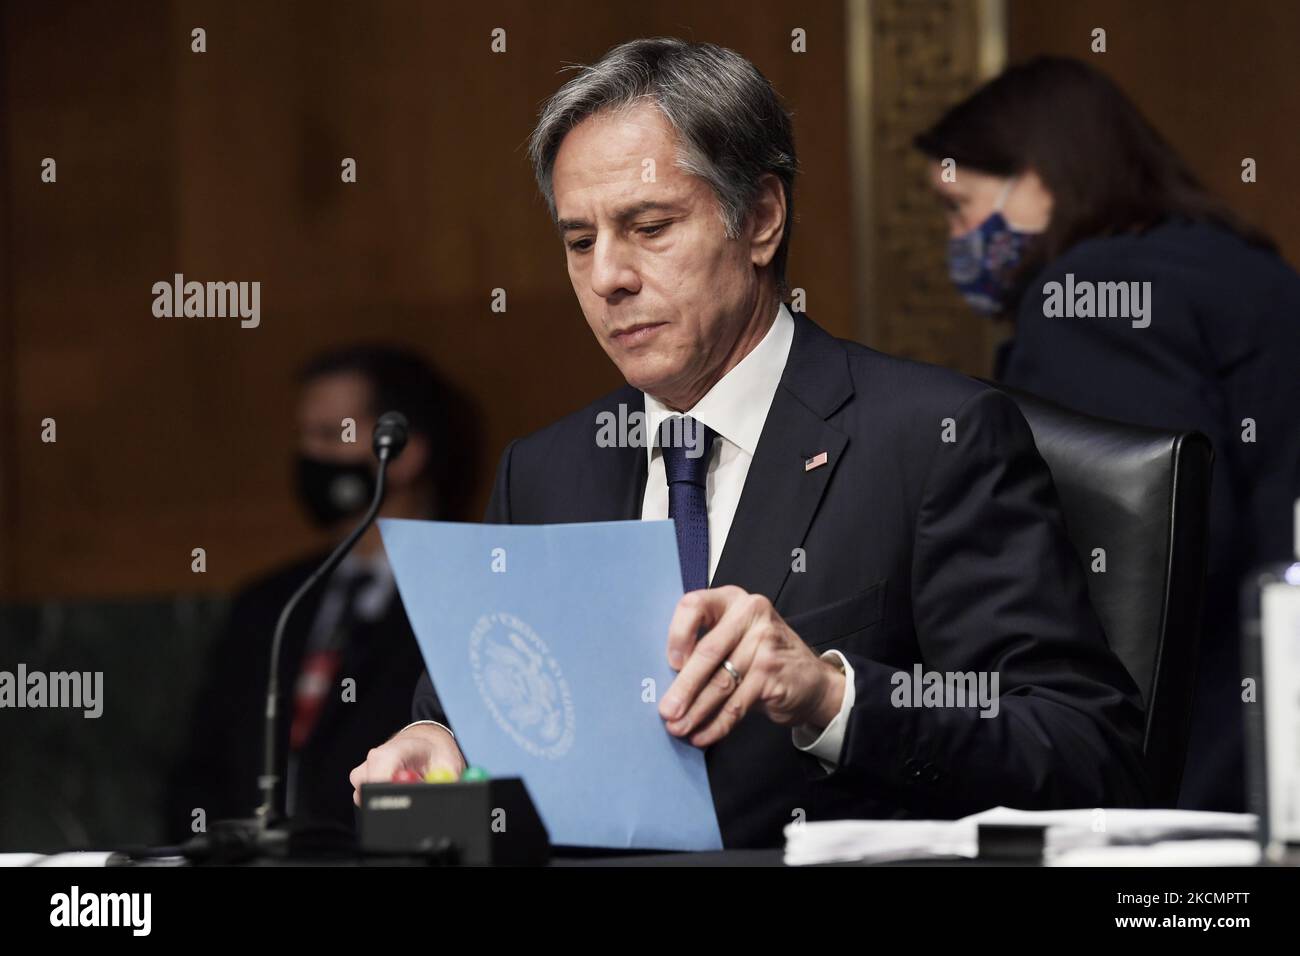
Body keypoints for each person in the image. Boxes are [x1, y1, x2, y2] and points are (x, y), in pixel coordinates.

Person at [350, 38, 1149, 849]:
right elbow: (470, 721)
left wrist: (831, 698)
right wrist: (439, 750)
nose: (607, 278)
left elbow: (1088, 751)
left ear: (761, 218)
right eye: (580, 240)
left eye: (649, 226)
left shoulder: (931, 440)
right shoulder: (547, 470)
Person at [915, 56, 1300, 812]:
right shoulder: (1243, 264)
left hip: (1204, 768)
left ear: (1038, 177)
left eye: (958, 205)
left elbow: (1146, 562)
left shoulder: (1085, 299)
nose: (954, 237)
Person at [166, 345, 474, 838]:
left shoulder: (470, 591)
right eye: (305, 436)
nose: (312, 456)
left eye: (332, 435)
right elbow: (200, 769)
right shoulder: (270, 604)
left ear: (406, 451)